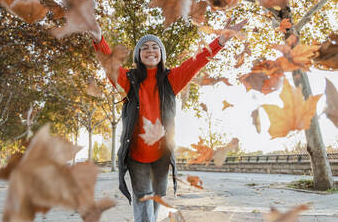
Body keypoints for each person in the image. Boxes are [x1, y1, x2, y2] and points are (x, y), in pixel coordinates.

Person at [92, 22, 244, 222]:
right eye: (144, 48)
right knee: (143, 206)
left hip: (162, 156)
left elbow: (197, 61)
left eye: (155, 47)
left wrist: (221, 40)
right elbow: (110, 64)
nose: (150, 51)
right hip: (137, 156)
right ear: (138, 56)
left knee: (155, 204)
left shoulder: (172, 79)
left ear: (161, 54)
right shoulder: (129, 79)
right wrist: (98, 39)